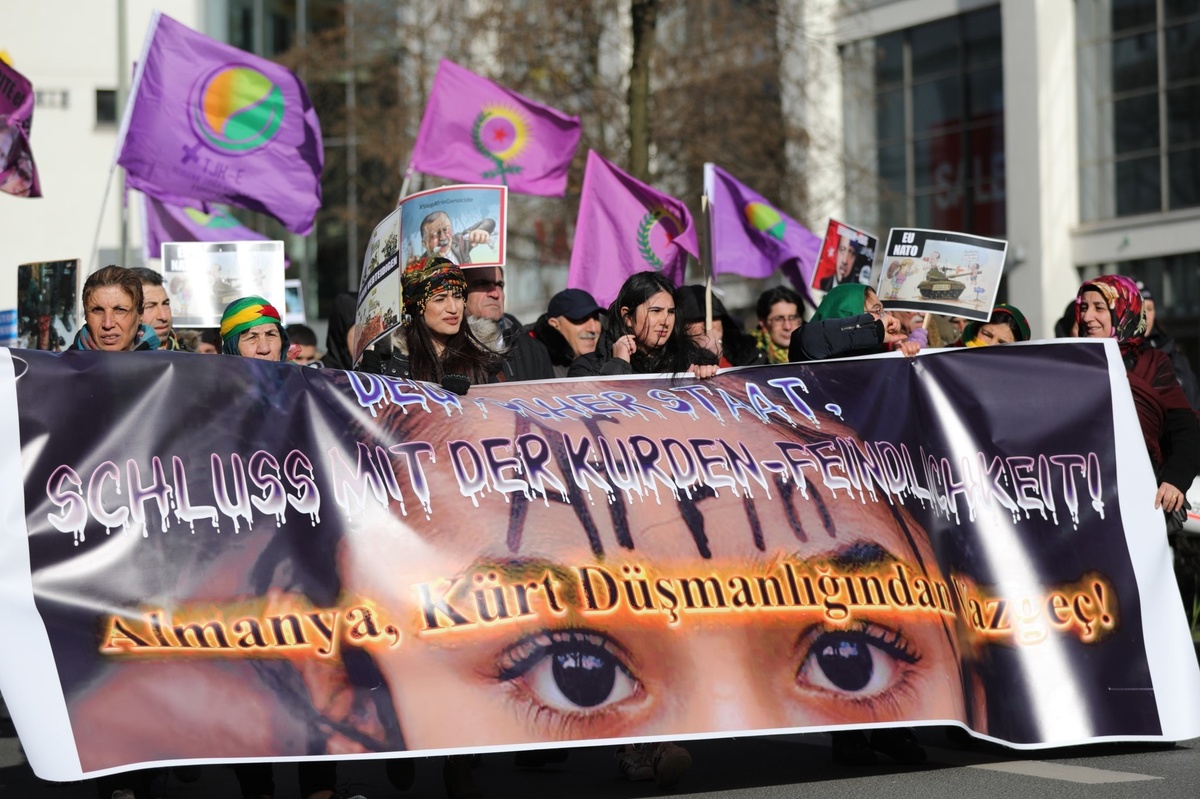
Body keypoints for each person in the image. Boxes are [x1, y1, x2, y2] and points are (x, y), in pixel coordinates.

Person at [1076, 275, 1200, 518]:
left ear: (1124, 310)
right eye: (1083, 307)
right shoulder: (1069, 363)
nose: (1087, 317)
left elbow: (1186, 430)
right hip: (1081, 501)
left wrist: (1175, 480)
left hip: (1141, 504)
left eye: (1099, 308)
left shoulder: (1152, 364)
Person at [359, 256, 505, 387]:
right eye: (440, 299)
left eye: (458, 296)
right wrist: (368, 385)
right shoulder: (389, 364)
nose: (453, 308)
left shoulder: (484, 363)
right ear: (417, 306)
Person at [567, 271, 719, 378]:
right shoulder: (587, 367)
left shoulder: (692, 360)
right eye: (655, 311)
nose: (666, 321)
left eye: (671, 312)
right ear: (627, 316)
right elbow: (597, 415)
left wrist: (706, 377)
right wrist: (618, 364)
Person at [463, 265, 554, 381]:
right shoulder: (445, 347)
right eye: (482, 284)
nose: (495, 294)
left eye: (499, 285)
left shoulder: (534, 350)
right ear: (461, 292)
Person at [789, 284, 921, 362]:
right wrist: (875, 329)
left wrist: (897, 359)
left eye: (883, 311)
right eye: (877, 311)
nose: (885, 317)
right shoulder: (807, 343)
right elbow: (816, 339)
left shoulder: (879, 354)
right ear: (847, 313)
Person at [1138, 283, 1200, 411]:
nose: (1145, 316)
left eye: (1149, 309)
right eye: (1140, 309)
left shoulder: (1173, 353)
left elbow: (1194, 399)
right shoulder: (1124, 355)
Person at [71, 266, 159, 352]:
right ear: (86, 315)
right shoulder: (63, 365)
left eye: (120, 310)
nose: (108, 324)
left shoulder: (165, 365)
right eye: (97, 310)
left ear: (140, 313)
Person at [675, 284, 765, 367]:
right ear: (681, 326)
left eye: (714, 317)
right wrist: (706, 356)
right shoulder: (674, 364)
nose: (708, 325)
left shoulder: (747, 352)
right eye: (697, 319)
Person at [529, 288, 605, 378]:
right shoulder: (534, 365)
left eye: (596, 318)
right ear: (555, 324)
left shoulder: (613, 359)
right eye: (581, 319)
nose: (593, 328)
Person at [220, 297, 290, 361]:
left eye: (271, 335)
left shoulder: (297, 374)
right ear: (232, 347)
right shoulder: (214, 375)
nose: (265, 349)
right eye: (252, 337)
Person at [420, 210, 496, 266]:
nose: (443, 238)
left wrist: (478, 231)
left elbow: (490, 222)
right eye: (435, 234)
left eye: (446, 229)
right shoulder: (419, 266)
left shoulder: (460, 242)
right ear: (425, 243)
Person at [130, 267, 180, 350]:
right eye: (150, 306)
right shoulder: (110, 359)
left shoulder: (192, 358)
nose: (164, 316)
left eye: (165, 304)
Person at [753, 286, 804, 364]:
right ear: (762, 322)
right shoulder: (747, 358)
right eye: (778, 319)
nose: (787, 327)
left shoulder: (816, 353)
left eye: (792, 318)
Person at [957, 304, 1030, 347]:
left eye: (1002, 343)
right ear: (976, 329)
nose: (991, 344)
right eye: (987, 335)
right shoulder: (948, 358)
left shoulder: (1019, 372)